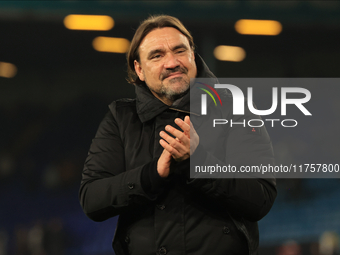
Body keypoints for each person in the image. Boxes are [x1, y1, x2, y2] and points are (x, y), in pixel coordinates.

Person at [79, 15, 277, 255]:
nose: (172, 62)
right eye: (157, 55)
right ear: (139, 69)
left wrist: (198, 161)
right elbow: (92, 199)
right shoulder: (120, 118)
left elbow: (260, 198)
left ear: (193, 54)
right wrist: (151, 175)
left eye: (179, 50)